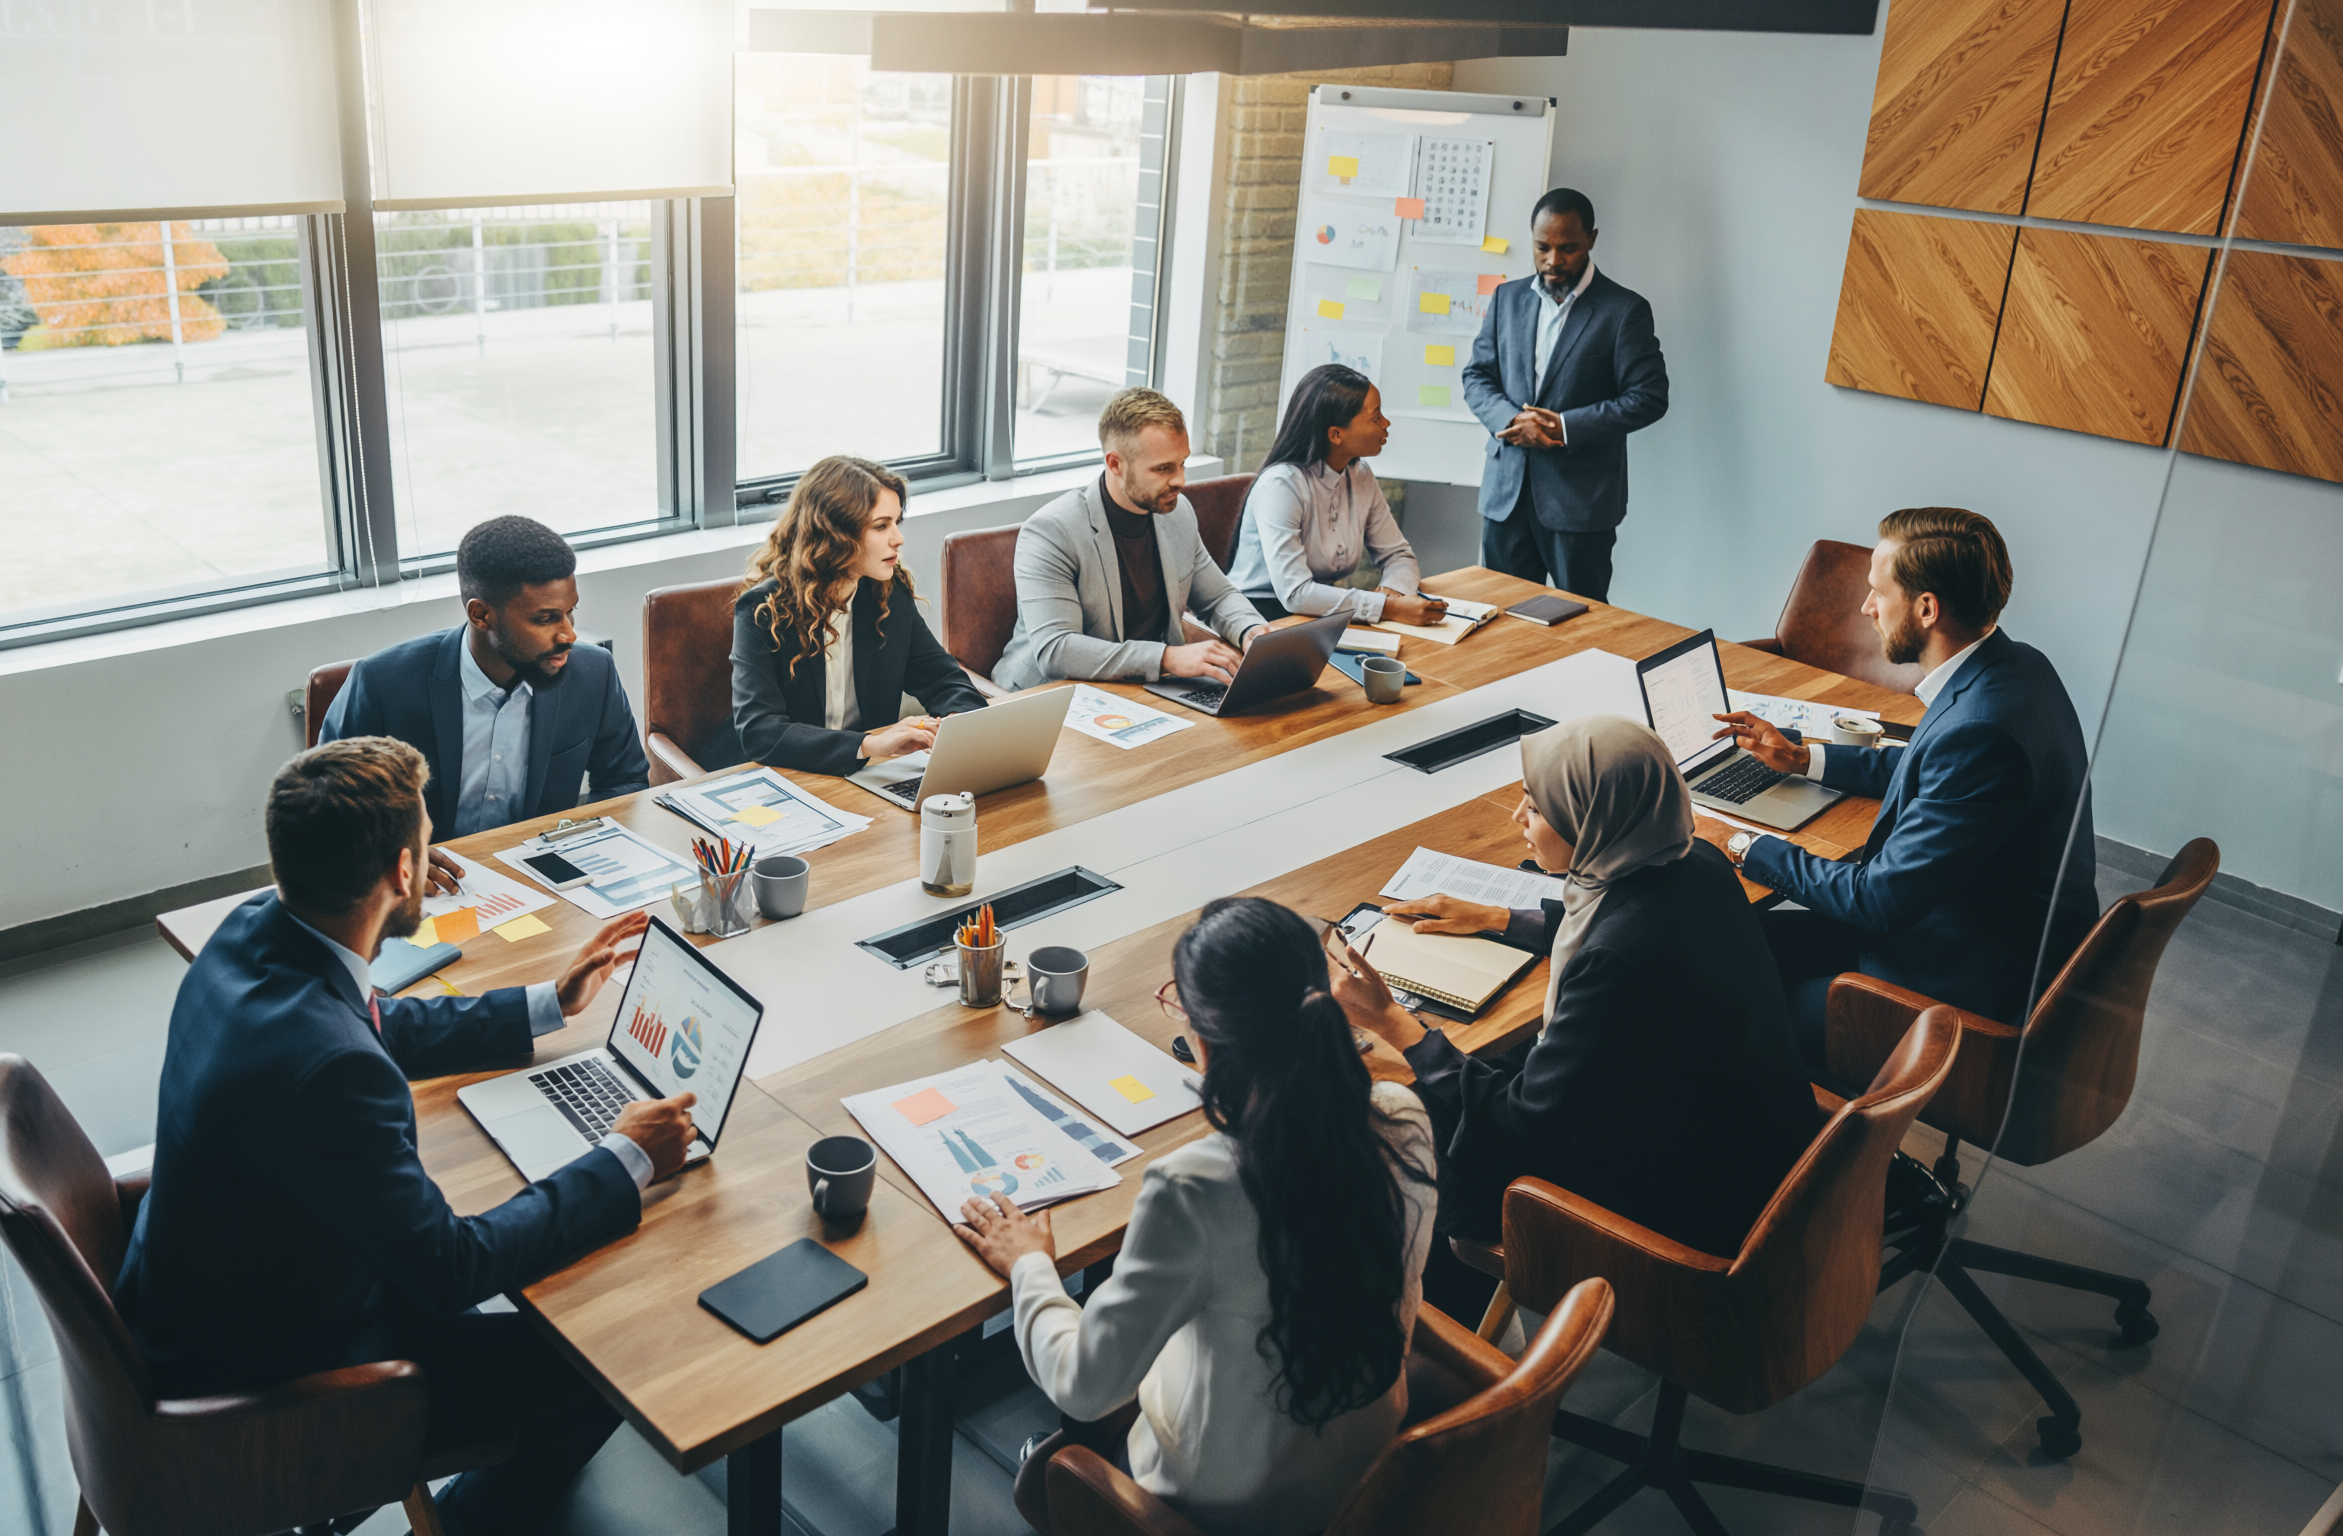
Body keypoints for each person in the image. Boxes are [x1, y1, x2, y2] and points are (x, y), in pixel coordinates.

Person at [114, 738, 698, 1536]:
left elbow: (370, 1022)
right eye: (427, 847)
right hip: (277, 1371)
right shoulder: (333, 1075)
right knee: (598, 1365)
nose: (433, 862)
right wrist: (625, 1159)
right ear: (400, 872)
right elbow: (451, 1270)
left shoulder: (254, 929)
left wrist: (545, 1003)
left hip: (194, 1295)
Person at [956, 897, 1436, 1536]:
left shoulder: (1199, 1186)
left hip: (1219, 1512)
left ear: (1206, 1041)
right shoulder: (1403, 1116)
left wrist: (1032, 1268)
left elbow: (1083, 1387)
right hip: (1366, 1473)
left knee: (1051, 1462)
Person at [1332, 715, 1822, 1291]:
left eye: (1536, 809)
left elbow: (1521, 1123)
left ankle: (1461, 1340)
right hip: (1761, 1157)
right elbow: (1631, 921)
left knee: (1401, 1141)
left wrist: (1393, 1021)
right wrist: (1495, 917)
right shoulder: (1698, 862)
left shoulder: (1612, 965)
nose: (1518, 819)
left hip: (1688, 1216)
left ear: (1590, 822)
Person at [1711, 507, 2097, 1070]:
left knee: (1728, 1006)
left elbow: (1878, 900)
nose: (1866, 607)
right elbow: (1929, 769)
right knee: (1734, 943)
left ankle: (1805, 1144)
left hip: (1952, 994)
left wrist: (1745, 846)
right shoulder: (2013, 668)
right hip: (1960, 937)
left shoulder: (1982, 731)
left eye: (1876, 592)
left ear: (1926, 608)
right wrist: (1803, 759)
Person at [322, 515, 651, 889]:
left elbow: (626, 780)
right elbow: (324, 807)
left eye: (570, 611)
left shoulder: (594, 674)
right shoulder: (383, 684)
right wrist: (386, 854)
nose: (569, 634)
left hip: (542, 881)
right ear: (481, 615)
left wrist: (576, 844)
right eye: (546, 619)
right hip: (423, 890)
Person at [1461, 188, 1670, 603]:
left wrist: (1565, 426)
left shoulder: (1624, 310)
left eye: (1568, 248)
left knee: (1581, 623)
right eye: (1542, 247)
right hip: (1507, 495)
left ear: (1591, 239)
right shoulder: (1507, 298)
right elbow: (1477, 376)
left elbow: (1649, 396)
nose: (1553, 261)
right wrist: (1512, 420)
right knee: (1498, 618)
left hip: (1580, 503)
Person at [991, 388, 1270, 693]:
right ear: (1115, 464)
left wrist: (1251, 630)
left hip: (1138, 691)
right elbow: (1057, 650)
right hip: (1048, 699)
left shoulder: (1177, 513)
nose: (1180, 480)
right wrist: (1167, 658)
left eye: (1182, 464)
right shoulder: (1051, 532)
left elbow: (1217, 597)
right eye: (1163, 468)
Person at [729, 454, 986, 774]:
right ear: (835, 535)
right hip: (779, 778)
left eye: (896, 522)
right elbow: (760, 731)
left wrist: (961, 727)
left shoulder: (889, 595)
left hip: (862, 778)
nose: (898, 538)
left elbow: (943, 680)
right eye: (881, 526)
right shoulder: (762, 611)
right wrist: (866, 745)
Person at [1228, 364, 1444, 626]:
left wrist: (1394, 594)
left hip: (1319, 614)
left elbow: (1398, 555)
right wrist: (1386, 608)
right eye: (1375, 417)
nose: (1386, 424)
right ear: (1335, 434)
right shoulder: (1281, 485)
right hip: (1260, 616)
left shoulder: (1360, 474)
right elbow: (1295, 594)